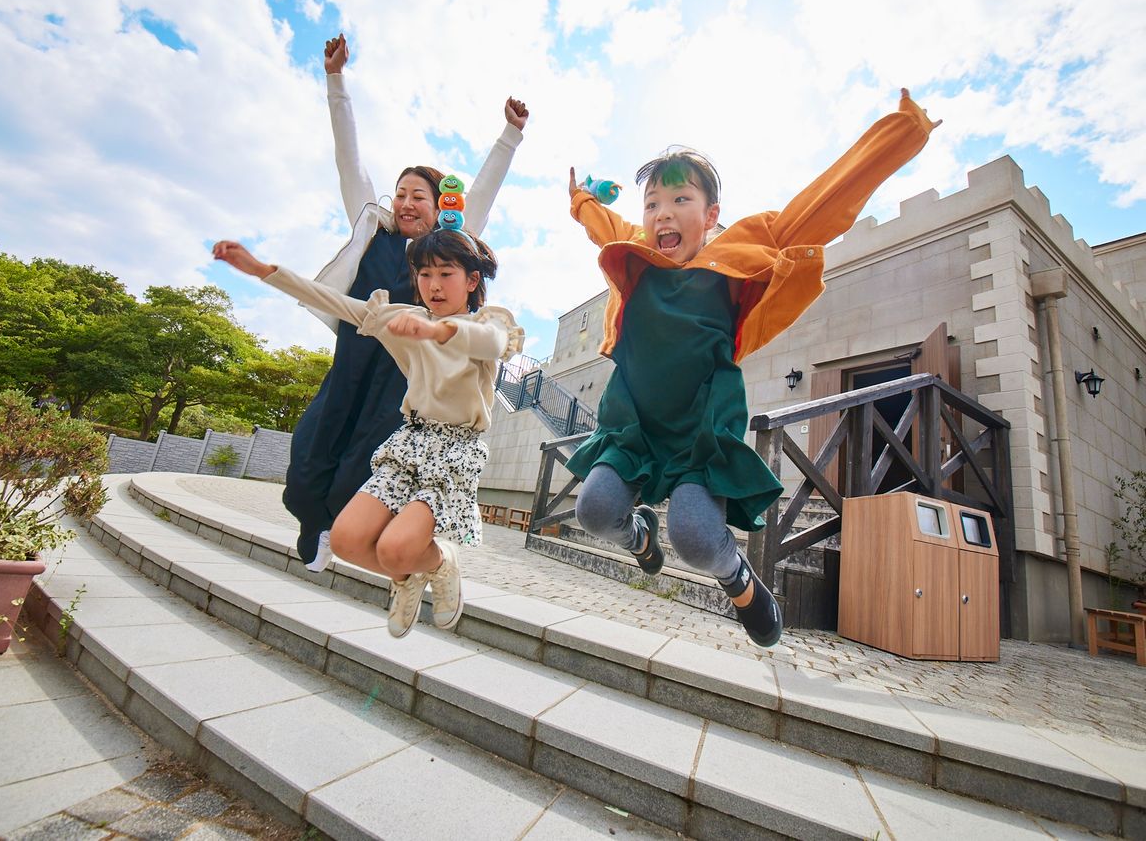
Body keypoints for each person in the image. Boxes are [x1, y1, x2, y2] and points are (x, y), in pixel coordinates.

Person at [565, 89, 938, 647]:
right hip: (635, 423)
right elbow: (603, 224)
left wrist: (899, 136)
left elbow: (818, 209)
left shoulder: (736, 255)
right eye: (652, 205)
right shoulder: (636, 255)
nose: (663, 213)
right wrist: (579, 201)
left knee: (694, 535)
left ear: (710, 215)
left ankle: (740, 582)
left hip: (699, 429)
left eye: (680, 200)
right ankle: (639, 536)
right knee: (594, 509)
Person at [286, 32, 529, 569]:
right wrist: (335, 82)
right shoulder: (371, 228)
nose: (405, 201)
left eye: (418, 194)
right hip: (351, 361)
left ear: (440, 206)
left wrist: (509, 136)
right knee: (308, 454)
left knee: (363, 461)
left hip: (402, 374)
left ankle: (348, 535)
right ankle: (313, 522)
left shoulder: (442, 248)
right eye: (400, 192)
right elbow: (347, 157)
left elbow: (481, 194)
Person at [213, 226, 523, 637]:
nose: (432, 285)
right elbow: (340, 304)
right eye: (424, 274)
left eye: (445, 274)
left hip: (454, 450)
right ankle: (410, 576)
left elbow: (490, 341)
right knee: (346, 540)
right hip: (408, 442)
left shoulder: (486, 323)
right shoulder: (405, 318)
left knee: (395, 548)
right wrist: (263, 271)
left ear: (471, 281)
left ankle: (438, 564)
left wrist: (439, 330)